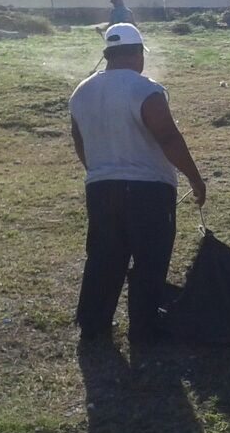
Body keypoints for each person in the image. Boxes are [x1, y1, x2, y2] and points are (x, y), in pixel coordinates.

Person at [69, 23, 205, 342]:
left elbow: (79, 139)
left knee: (104, 256)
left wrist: (99, 170)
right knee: (150, 258)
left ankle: (93, 324)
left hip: (100, 188)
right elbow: (169, 137)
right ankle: (144, 328)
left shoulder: (81, 92)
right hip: (148, 190)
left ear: (107, 55)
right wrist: (195, 178)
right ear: (137, 54)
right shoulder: (144, 90)